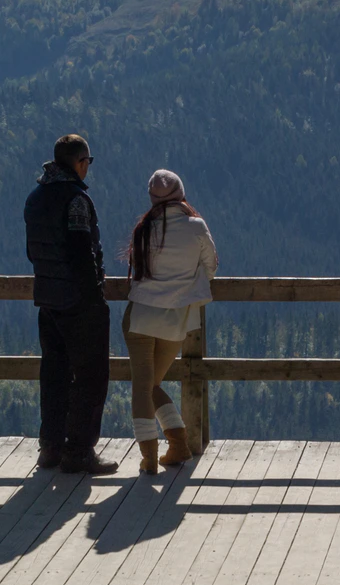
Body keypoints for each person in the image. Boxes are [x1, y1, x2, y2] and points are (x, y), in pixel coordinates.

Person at [22, 134, 116, 475]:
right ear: (79, 162)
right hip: (78, 302)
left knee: (55, 373)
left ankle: (50, 447)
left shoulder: (35, 198)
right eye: (87, 162)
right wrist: (95, 299)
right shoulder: (76, 199)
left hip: (47, 300)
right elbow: (81, 253)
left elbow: (32, 252)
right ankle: (78, 451)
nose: (88, 168)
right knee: (91, 377)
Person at [121, 169, 218, 474]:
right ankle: (177, 445)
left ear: (152, 198)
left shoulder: (144, 228)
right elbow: (211, 267)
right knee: (152, 384)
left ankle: (150, 457)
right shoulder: (196, 226)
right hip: (176, 318)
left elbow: (137, 269)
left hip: (140, 316)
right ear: (181, 194)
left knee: (143, 386)